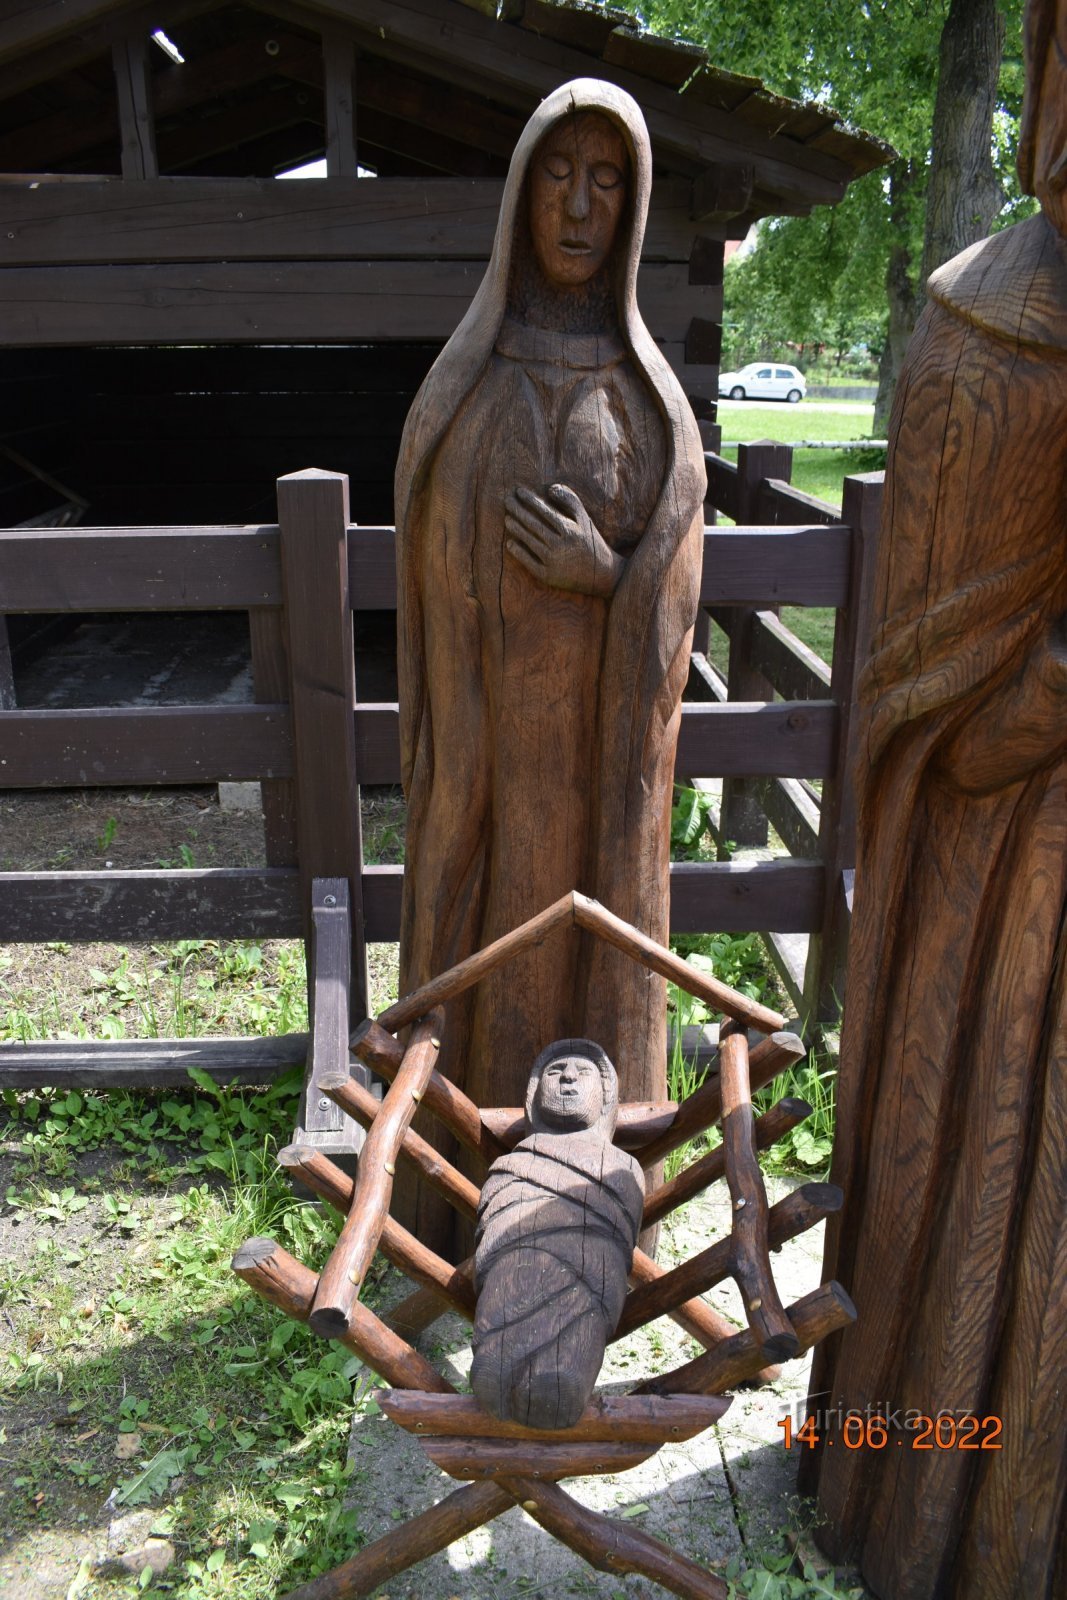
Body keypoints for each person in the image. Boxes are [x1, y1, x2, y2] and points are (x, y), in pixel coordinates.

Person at [804, 3, 1067, 1593]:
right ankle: (928, 1474)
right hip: (1016, 922)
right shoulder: (993, 330)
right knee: (987, 1241)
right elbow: (928, 723)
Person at [393, 79, 706, 1252]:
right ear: (521, 195)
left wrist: (606, 580)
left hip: (596, 763)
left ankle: (593, 1199)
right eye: (557, 176)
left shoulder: (647, 402)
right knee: (494, 963)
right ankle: (463, 1190)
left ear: (629, 207)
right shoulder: (464, 384)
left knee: (592, 950)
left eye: (606, 178)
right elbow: (429, 579)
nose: (578, 205)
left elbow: (674, 587)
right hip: (485, 764)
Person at [470, 1040, 644, 1428]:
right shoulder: (512, 1161)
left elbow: (620, 1233)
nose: (567, 1077)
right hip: (511, 1271)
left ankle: (564, 1375)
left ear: (605, 1098)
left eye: (583, 1073)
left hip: (586, 1278)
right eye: (554, 1071)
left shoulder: (621, 1164)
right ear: (533, 1094)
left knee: (560, 1380)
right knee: (492, 1371)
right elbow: (492, 1221)